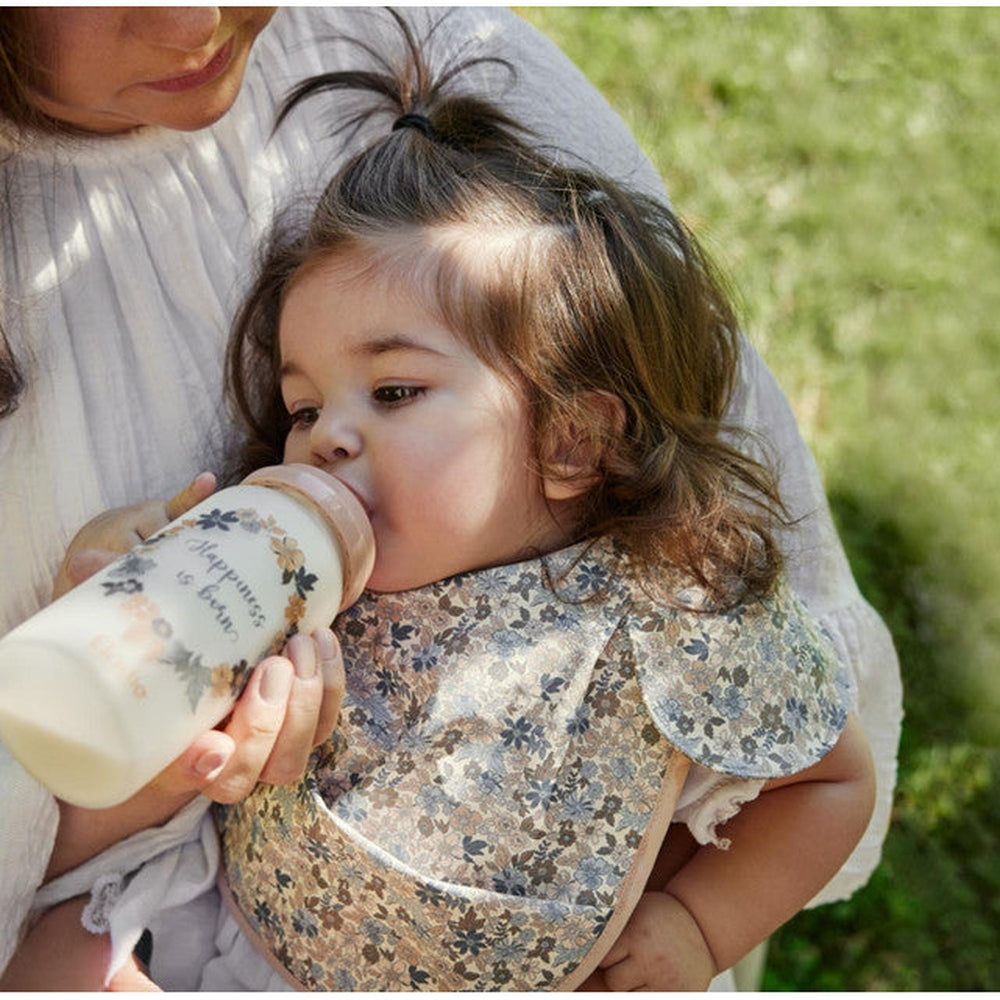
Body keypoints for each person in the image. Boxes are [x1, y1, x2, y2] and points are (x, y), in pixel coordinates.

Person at [0, 4, 901, 986]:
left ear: (571, 439)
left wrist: (696, 924)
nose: (324, 437)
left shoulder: (667, 602)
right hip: (232, 943)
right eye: (302, 406)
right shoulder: (305, 589)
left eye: (393, 392)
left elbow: (832, 778)